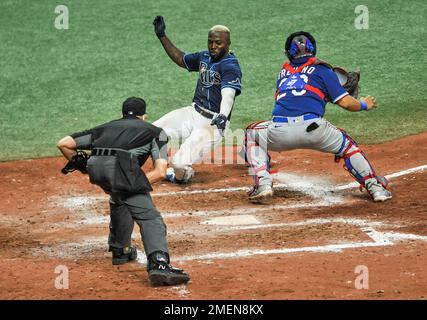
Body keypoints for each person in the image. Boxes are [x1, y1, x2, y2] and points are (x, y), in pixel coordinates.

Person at [244, 31, 392, 203]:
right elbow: (346, 103)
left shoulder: (283, 73)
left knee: (250, 134)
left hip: (279, 132)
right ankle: (376, 188)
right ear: (313, 50)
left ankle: (263, 184)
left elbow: (296, 98)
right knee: (348, 147)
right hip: (315, 130)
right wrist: (365, 104)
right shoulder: (323, 70)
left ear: (288, 53)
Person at [57, 97, 190, 286]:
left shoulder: (104, 128)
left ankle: (121, 249)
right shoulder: (156, 132)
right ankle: (159, 264)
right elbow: (160, 171)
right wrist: (133, 182)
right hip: (119, 171)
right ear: (144, 117)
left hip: (96, 170)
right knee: (150, 218)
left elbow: (64, 143)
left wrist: (85, 166)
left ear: (121, 114)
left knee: (121, 196)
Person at [151, 16, 242, 183]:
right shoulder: (204, 57)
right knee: (151, 131)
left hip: (213, 123)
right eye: (210, 42)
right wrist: (162, 36)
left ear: (228, 44)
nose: (213, 46)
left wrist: (222, 115)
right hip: (193, 112)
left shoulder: (230, 66)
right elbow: (180, 58)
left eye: (218, 43)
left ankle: (182, 176)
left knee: (179, 164)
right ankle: (159, 168)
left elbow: (228, 94)